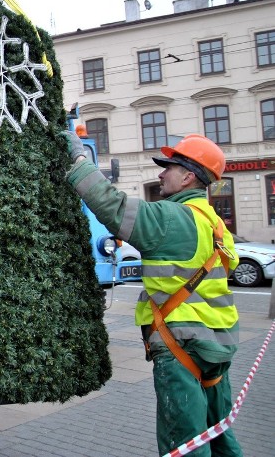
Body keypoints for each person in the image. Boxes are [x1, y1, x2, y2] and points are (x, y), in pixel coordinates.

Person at [63, 130, 241, 457]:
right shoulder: (215, 223)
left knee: (185, 444)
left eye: (168, 168)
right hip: (219, 345)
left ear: (188, 176)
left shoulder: (172, 218)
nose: (161, 173)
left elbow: (110, 205)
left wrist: (78, 161)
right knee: (219, 436)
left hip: (183, 345)